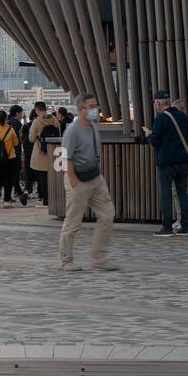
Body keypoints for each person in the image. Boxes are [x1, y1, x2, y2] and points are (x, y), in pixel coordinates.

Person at [58, 93, 117, 271]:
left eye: (95, 105)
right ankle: (65, 260)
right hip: (78, 179)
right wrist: (74, 181)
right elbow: (66, 157)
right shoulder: (72, 130)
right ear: (80, 109)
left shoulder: (93, 126)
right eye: (90, 106)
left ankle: (98, 256)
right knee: (73, 222)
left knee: (107, 214)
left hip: (95, 178)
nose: (94, 109)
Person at [147, 90, 188, 237]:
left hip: (166, 162)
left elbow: (154, 141)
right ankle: (185, 227)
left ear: (159, 103)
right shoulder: (183, 116)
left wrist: (149, 135)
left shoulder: (161, 119)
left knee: (166, 194)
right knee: (182, 193)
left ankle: (167, 228)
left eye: (155, 103)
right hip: (183, 161)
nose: (155, 106)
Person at [27, 102, 61, 208]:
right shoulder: (55, 120)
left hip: (41, 153)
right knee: (52, 178)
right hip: (53, 152)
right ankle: (53, 199)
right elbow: (59, 134)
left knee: (42, 178)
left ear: (37, 110)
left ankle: (44, 201)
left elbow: (31, 139)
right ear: (45, 109)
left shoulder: (37, 122)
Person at [0, 111, 20, 208]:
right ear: (6, 119)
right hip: (9, 158)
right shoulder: (10, 129)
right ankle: (6, 201)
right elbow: (16, 143)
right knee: (8, 179)